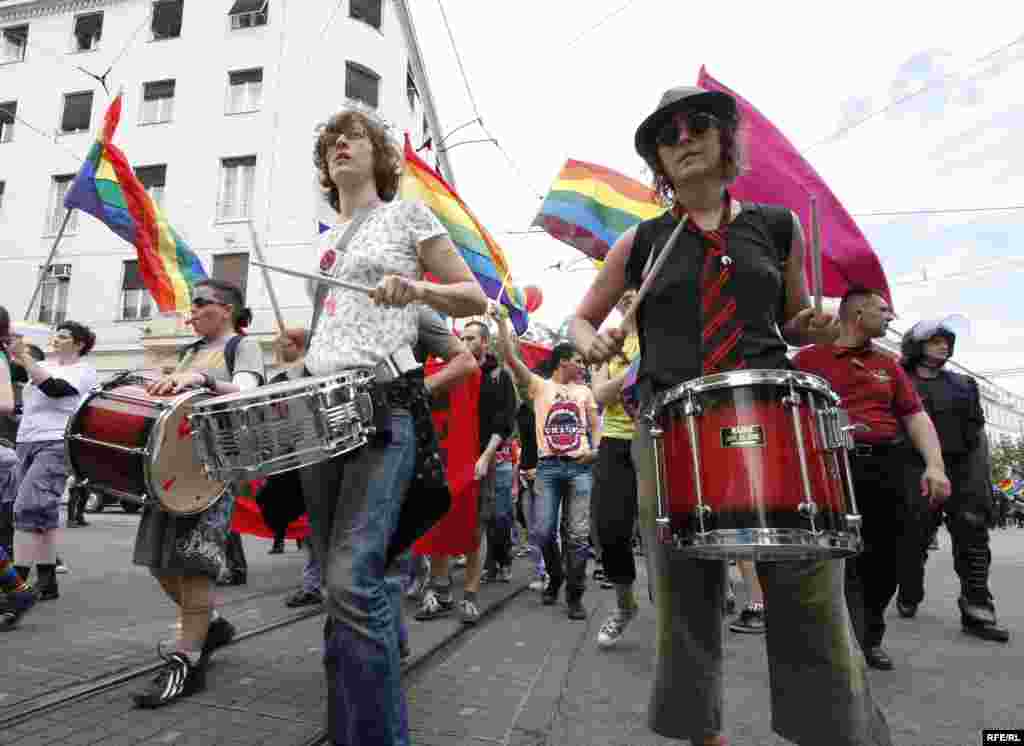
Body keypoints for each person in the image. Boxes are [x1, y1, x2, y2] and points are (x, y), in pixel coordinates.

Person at [569, 85, 894, 746]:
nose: (683, 138)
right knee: (683, 591)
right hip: (669, 427)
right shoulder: (642, 241)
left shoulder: (778, 226)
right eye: (668, 134)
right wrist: (589, 342)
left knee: (805, 576)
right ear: (659, 161)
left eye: (696, 125)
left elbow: (799, 319)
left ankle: (830, 730)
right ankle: (702, 734)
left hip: (772, 417)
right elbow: (582, 318)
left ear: (724, 140)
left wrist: (818, 327)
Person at [298, 104, 485, 746]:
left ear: (379, 155)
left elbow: (472, 296)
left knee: (354, 579)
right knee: (335, 586)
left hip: (380, 408)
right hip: (320, 414)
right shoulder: (323, 240)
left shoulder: (407, 215)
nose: (339, 146)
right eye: (330, 142)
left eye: (352, 138)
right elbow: (334, 331)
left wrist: (419, 289)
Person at [794, 289, 952, 671]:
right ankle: (851, 638)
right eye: (883, 309)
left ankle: (870, 627)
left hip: (886, 463)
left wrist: (935, 465)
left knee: (890, 558)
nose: (891, 316)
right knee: (839, 557)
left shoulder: (889, 364)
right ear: (858, 312)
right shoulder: (807, 360)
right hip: (829, 465)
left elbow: (915, 417)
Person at [131, 279, 265, 708]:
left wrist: (202, 379)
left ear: (226, 309)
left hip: (210, 474)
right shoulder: (190, 350)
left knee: (194, 567)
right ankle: (213, 625)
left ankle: (187, 659)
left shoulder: (241, 347)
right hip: (170, 471)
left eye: (201, 303)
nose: (193, 311)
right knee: (159, 563)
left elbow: (247, 393)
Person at [895, 320, 1009, 642]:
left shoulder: (963, 383)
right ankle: (909, 588)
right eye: (934, 341)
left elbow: (977, 434)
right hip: (914, 469)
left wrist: (980, 482)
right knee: (912, 539)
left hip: (961, 469)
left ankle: (978, 610)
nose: (943, 346)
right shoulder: (897, 379)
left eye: (946, 341)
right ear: (916, 345)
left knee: (973, 536)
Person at [497, 315, 599, 621]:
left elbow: (596, 426)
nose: (583, 366)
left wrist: (594, 451)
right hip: (548, 469)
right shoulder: (539, 387)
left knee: (578, 536)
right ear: (563, 361)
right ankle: (556, 576)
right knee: (542, 532)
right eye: (578, 361)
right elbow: (511, 359)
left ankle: (574, 595)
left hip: (580, 468)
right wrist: (502, 326)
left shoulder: (585, 392)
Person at [416, 319, 516, 625]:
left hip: (479, 462)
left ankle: (470, 595)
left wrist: (485, 457)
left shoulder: (497, 377)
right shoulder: (451, 371)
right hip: (447, 461)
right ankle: (441, 591)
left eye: (471, 337)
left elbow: (504, 421)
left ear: (485, 343)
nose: (464, 341)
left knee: (474, 527)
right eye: (461, 336)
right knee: (439, 523)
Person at [8, 322, 98, 602]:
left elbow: (55, 389)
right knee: (43, 516)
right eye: (55, 335)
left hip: (56, 442)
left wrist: (24, 356)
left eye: (63, 336)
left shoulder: (84, 370)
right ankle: (47, 582)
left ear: (79, 343)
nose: (56, 340)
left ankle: (16, 588)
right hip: (26, 440)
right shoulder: (43, 363)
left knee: (26, 508)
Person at [589, 289, 642, 646]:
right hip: (614, 442)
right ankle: (625, 606)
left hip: (655, 440)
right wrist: (638, 371)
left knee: (664, 534)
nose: (626, 296)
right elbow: (599, 395)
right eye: (620, 290)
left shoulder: (663, 335)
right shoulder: (605, 342)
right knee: (609, 533)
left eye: (633, 288)